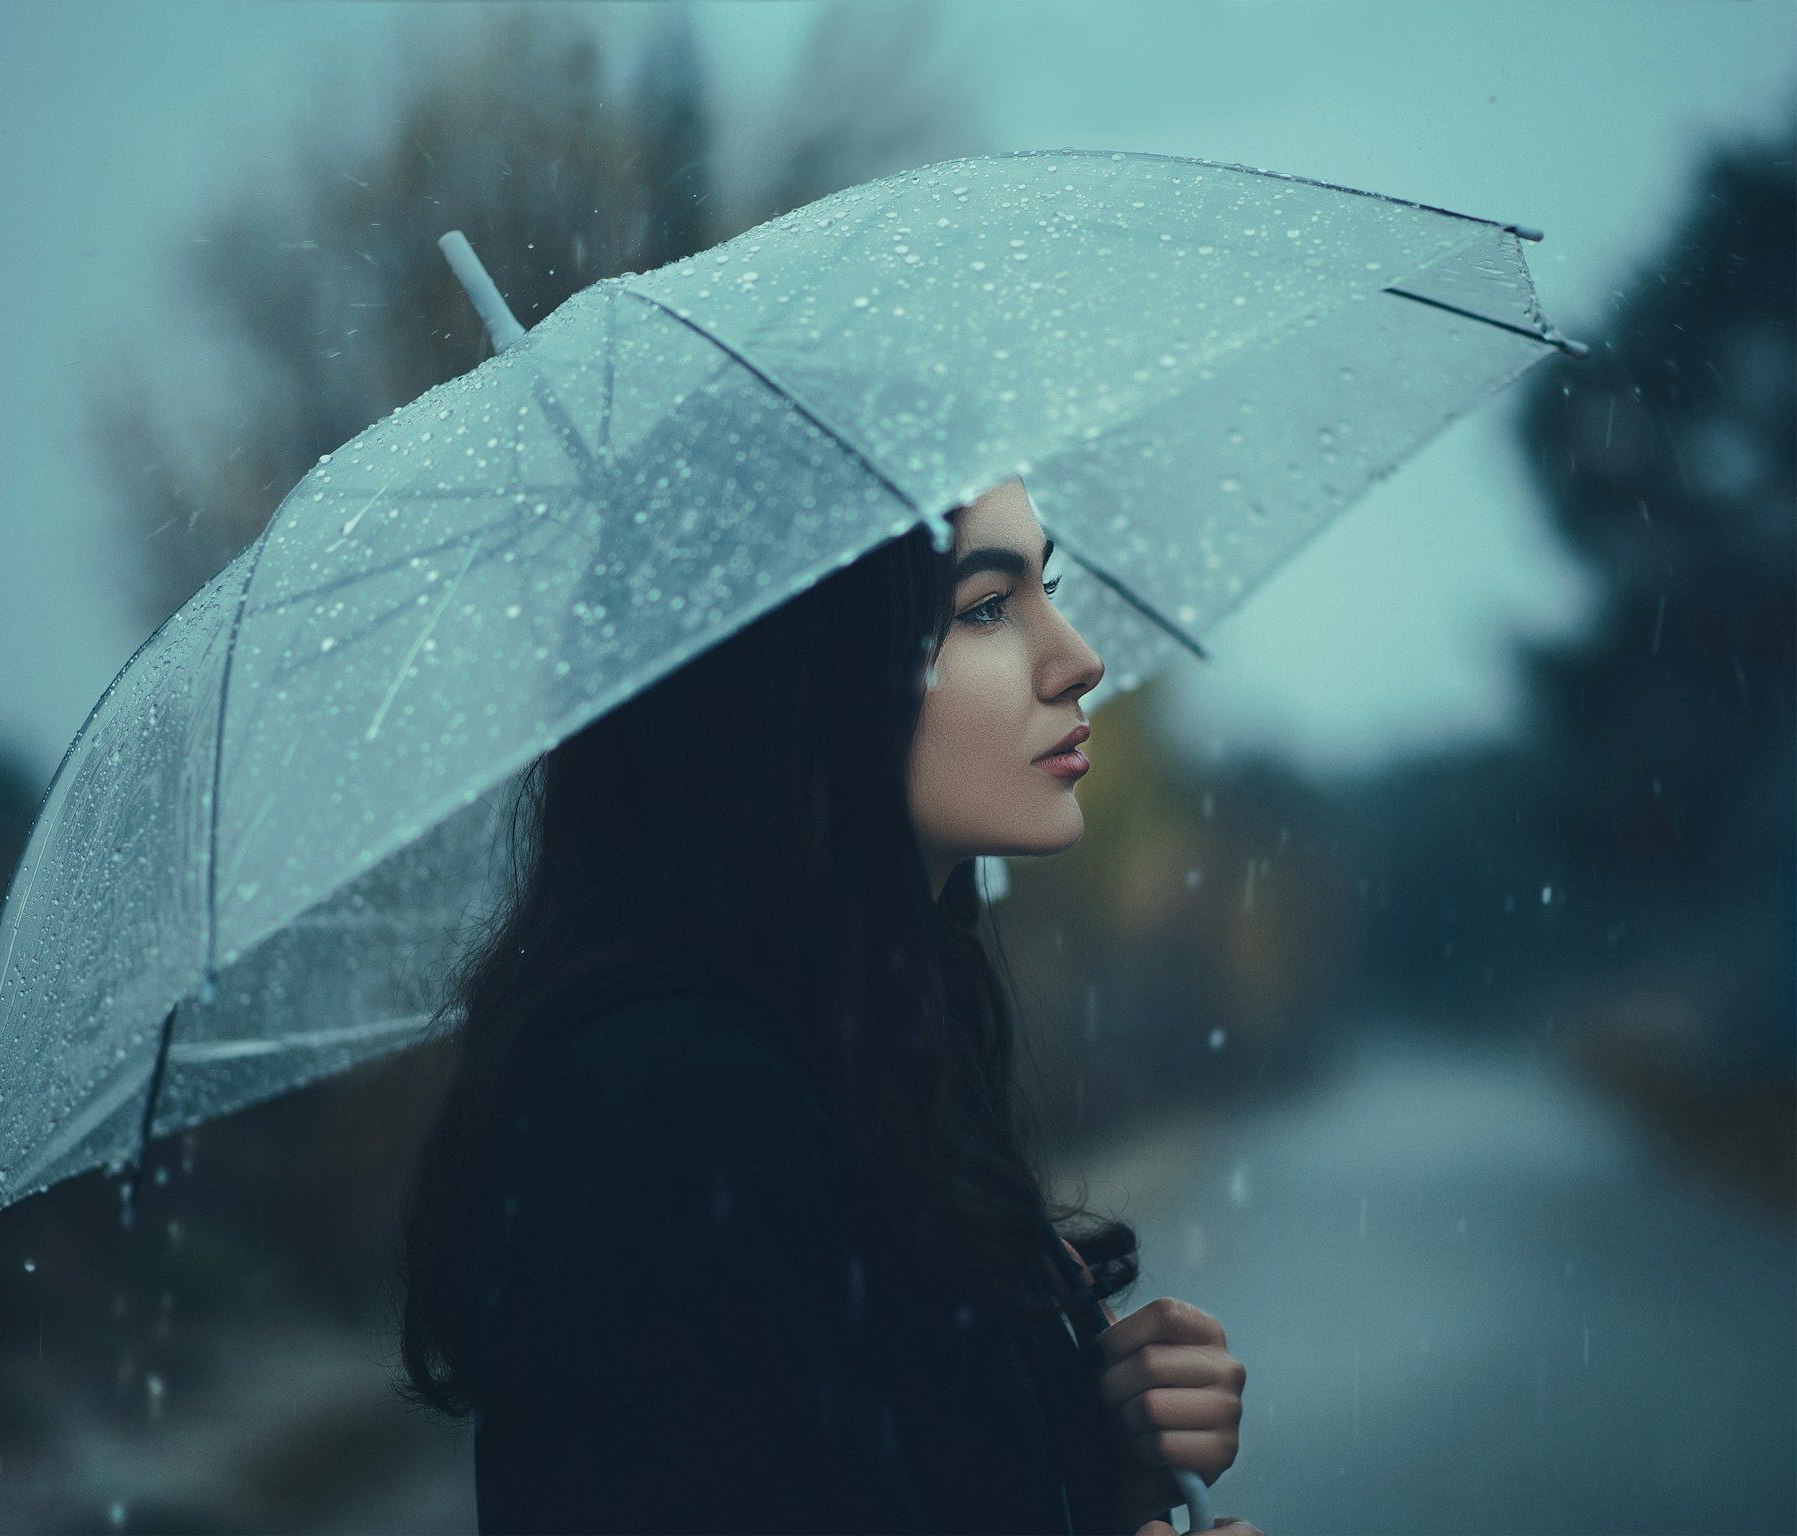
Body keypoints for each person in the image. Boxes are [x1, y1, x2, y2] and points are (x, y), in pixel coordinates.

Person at [397, 478, 1260, 1534]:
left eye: (1050, 588)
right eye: (987, 606)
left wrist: (1101, 1456)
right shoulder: (677, 1114)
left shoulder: (859, 1062)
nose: (1077, 656)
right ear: (809, 669)